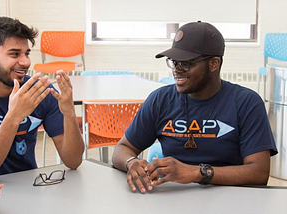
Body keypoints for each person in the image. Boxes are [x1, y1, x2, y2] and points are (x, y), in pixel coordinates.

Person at [112, 21, 278, 193]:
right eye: (173, 62)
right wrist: (131, 162)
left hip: (231, 199)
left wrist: (196, 173)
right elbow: (122, 149)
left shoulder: (246, 103)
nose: (176, 69)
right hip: (174, 199)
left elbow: (259, 173)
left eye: (185, 63)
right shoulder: (160, 100)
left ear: (214, 64)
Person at [0, 16, 85, 176]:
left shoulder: (39, 91)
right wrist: (14, 116)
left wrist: (69, 113)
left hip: (28, 186)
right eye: (15, 54)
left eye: (26, 53)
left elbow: (73, 161)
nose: (25, 62)